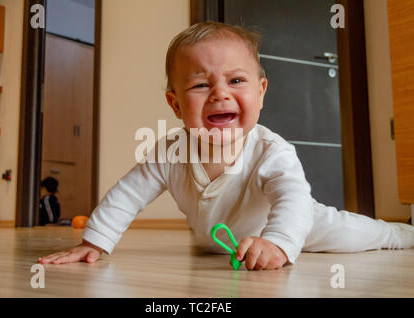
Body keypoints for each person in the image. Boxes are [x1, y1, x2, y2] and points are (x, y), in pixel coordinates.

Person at [38, 22, 413, 269]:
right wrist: (96, 242)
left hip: (304, 224)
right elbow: (127, 194)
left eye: (236, 80)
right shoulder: (170, 153)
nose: (220, 94)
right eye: (201, 85)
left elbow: (292, 198)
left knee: (358, 234)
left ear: (261, 92)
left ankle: (402, 233)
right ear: (175, 104)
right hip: (223, 242)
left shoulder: (270, 150)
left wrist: (279, 244)